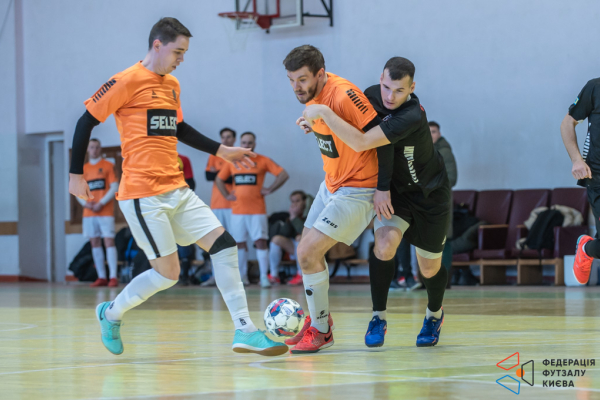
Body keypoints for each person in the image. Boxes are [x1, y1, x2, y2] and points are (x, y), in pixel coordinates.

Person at [68, 17, 287, 357]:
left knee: (225, 246)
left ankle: (245, 329)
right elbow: (86, 121)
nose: (182, 59)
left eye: (185, 52)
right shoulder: (125, 81)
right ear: (157, 45)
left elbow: (179, 128)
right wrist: (75, 174)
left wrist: (221, 150)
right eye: (178, 52)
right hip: (143, 195)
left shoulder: (172, 84)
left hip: (178, 189)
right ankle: (110, 313)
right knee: (168, 274)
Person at [301, 57, 451, 348]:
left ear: (412, 88)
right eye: (386, 87)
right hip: (396, 194)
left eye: (399, 90)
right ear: (380, 79)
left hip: (430, 195)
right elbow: (349, 127)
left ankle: (434, 315)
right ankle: (378, 317)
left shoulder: (411, 115)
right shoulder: (369, 96)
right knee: (383, 246)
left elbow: (365, 142)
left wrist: (323, 114)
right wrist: (317, 124)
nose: (390, 96)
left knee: (429, 269)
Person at [282, 45, 384, 354]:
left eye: (302, 79)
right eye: (291, 80)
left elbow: (380, 139)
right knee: (305, 252)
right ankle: (320, 321)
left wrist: (385, 187)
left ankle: (322, 331)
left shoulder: (343, 95)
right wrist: (314, 125)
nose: (296, 87)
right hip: (331, 183)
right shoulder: (313, 94)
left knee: (308, 252)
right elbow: (336, 131)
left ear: (320, 74)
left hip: (358, 188)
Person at [215, 132, 289, 288]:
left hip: (257, 210)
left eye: (250, 142)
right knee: (239, 243)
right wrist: (227, 195)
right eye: (244, 142)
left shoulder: (263, 160)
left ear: (254, 144)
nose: (247, 145)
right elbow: (219, 179)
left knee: (260, 242)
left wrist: (270, 189)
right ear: (240, 143)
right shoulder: (233, 161)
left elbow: (283, 174)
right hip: (237, 211)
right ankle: (242, 277)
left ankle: (264, 277)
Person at [561, 77, 600, 284]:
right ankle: (585, 248)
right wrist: (577, 160)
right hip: (598, 178)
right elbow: (568, 123)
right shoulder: (595, 87)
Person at [77, 138, 119, 287]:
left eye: (96, 147)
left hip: (105, 211)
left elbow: (115, 187)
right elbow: (78, 191)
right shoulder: (83, 169)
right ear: (88, 149)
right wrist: (86, 204)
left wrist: (101, 203)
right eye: (92, 147)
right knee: (94, 242)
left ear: (100, 149)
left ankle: (113, 276)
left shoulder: (108, 165)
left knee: (109, 241)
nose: (94, 150)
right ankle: (101, 276)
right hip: (89, 214)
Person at [202, 127, 236, 287]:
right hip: (216, 204)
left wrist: (219, 174)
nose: (226, 140)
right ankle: (216, 276)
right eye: (223, 137)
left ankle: (235, 277)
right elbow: (208, 176)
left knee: (234, 241)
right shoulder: (214, 155)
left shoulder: (237, 156)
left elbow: (236, 178)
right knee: (215, 241)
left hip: (235, 205)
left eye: (229, 137)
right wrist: (225, 175)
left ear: (234, 139)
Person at [269, 190, 307, 285]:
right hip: (296, 249)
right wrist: (291, 218)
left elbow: (305, 233)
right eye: (292, 201)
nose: (295, 204)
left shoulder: (311, 213)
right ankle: (274, 275)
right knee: (276, 239)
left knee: (299, 237)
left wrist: (295, 218)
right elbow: (284, 234)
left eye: (297, 201)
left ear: (304, 201)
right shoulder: (292, 215)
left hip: (311, 249)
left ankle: (301, 275)